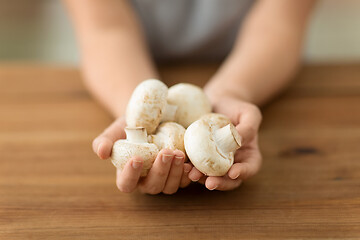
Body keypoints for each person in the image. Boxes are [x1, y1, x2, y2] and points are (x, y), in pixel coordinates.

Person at [64, 0, 316, 194]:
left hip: (250, 67)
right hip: (125, 67)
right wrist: (133, 108)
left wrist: (232, 92)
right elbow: (105, 29)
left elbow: (280, 25)